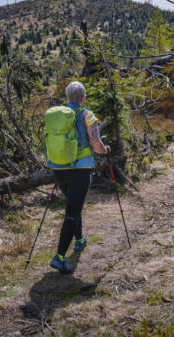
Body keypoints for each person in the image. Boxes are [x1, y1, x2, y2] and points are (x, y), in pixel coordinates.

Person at [48, 81, 110, 274]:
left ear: (67, 97)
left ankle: (79, 240)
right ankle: (59, 257)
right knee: (72, 213)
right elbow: (96, 144)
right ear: (83, 98)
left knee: (73, 206)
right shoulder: (86, 114)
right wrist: (106, 150)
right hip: (80, 170)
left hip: (58, 168)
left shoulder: (58, 115)